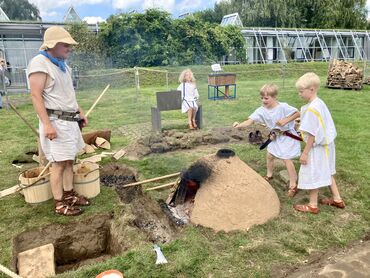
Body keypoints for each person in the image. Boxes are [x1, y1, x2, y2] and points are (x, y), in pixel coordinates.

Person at [28, 26, 89, 216]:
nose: (69, 48)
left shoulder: (64, 66)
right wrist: (47, 124)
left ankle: (69, 194)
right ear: (52, 45)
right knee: (58, 164)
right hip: (56, 121)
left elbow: (68, 94)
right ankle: (59, 203)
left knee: (69, 160)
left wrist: (80, 111)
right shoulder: (40, 63)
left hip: (70, 121)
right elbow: (36, 96)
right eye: (65, 44)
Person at [233, 84, 301, 197]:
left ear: (274, 97)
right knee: (270, 155)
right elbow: (250, 121)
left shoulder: (283, 107)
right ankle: (269, 175)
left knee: (286, 159)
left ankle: (293, 185)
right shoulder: (261, 110)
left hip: (287, 136)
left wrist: (285, 120)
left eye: (266, 98)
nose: (263, 100)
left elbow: (298, 113)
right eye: (262, 98)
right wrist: (238, 125)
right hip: (275, 136)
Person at [293, 72, 344, 214]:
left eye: (301, 91)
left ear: (312, 89)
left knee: (312, 171)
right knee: (327, 170)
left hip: (317, 147)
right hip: (328, 145)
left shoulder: (312, 109)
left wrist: (305, 153)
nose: (299, 94)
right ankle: (337, 199)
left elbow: (312, 135)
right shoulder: (319, 103)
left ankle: (312, 205)